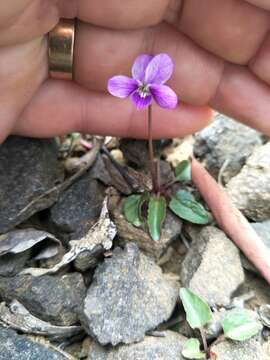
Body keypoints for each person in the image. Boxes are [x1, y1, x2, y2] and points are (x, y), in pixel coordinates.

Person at [1, 0, 270, 145]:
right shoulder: (134, 85)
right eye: (142, 88)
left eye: (143, 89)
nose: (142, 91)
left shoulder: (154, 89)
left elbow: (161, 95)